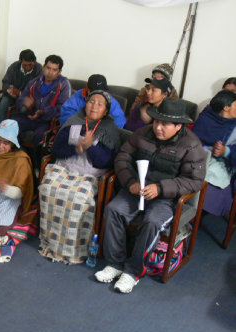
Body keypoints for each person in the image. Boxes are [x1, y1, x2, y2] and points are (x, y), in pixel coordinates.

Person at [95, 98, 207, 293]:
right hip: (137, 189)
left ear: (179, 126)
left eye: (165, 124)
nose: (158, 128)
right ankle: (115, 263)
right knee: (113, 209)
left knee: (153, 222)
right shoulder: (142, 134)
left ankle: (133, 271)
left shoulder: (191, 145)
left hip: (166, 197)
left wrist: (161, 188)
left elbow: (194, 181)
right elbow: (122, 158)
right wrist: (130, 182)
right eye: (156, 121)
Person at [39, 90, 121, 264]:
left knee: (78, 198)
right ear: (86, 104)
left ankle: (74, 249)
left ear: (106, 111)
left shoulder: (110, 129)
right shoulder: (73, 121)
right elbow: (57, 150)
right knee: (48, 188)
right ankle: (50, 243)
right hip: (65, 167)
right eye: (92, 102)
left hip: (90, 174)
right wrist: (76, 148)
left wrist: (91, 146)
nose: (94, 106)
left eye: (100, 104)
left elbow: (106, 162)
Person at [193, 90, 236, 216]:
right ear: (226, 108)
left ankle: (194, 217)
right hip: (200, 157)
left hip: (226, 162)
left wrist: (226, 151)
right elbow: (193, 140)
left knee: (208, 187)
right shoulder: (207, 117)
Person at [12, 54, 71, 147]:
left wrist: (43, 112)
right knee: (11, 125)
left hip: (48, 121)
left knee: (39, 136)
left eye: (54, 70)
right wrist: (24, 103)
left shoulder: (63, 84)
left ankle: (35, 161)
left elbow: (62, 108)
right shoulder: (34, 82)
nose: (50, 72)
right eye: (48, 68)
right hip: (30, 117)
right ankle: (16, 155)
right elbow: (21, 99)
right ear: (43, 67)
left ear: (59, 71)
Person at [0, 49, 42, 129]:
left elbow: (37, 90)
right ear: (20, 61)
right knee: (2, 106)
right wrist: (10, 90)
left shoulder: (39, 70)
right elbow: (5, 82)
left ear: (34, 61)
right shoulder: (14, 66)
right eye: (25, 65)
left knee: (21, 110)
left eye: (30, 65)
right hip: (11, 96)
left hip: (27, 99)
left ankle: (9, 136)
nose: (28, 67)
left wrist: (20, 93)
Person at [59, 74, 126, 128]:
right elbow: (66, 113)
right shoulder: (78, 95)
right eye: (94, 91)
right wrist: (80, 127)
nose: (97, 94)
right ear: (87, 89)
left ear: (106, 91)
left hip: (100, 132)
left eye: (101, 91)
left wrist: (104, 131)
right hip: (77, 129)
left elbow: (120, 121)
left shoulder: (111, 101)